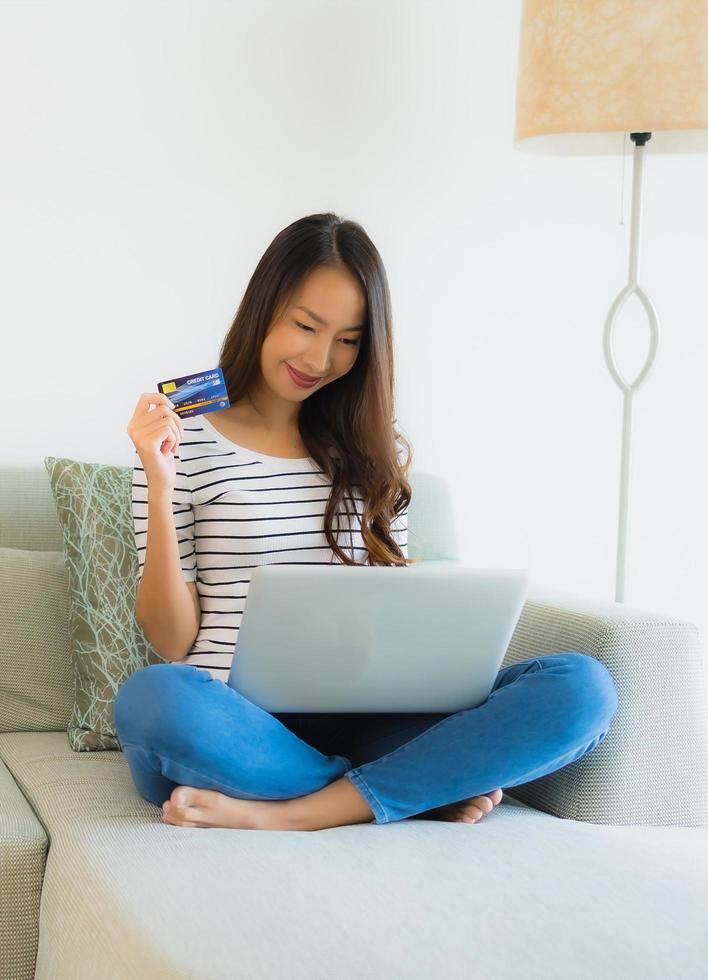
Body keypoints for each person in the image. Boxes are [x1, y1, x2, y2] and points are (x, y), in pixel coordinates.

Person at [118, 212, 619, 831]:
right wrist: (160, 485)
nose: (321, 358)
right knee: (154, 697)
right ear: (263, 308)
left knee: (582, 688)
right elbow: (172, 641)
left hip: (365, 718)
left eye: (349, 340)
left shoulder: (368, 451)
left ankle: (302, 812)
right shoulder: (181, 439)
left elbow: (395, 619)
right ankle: (405, 787)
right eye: (306, 325)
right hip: (234, 723)